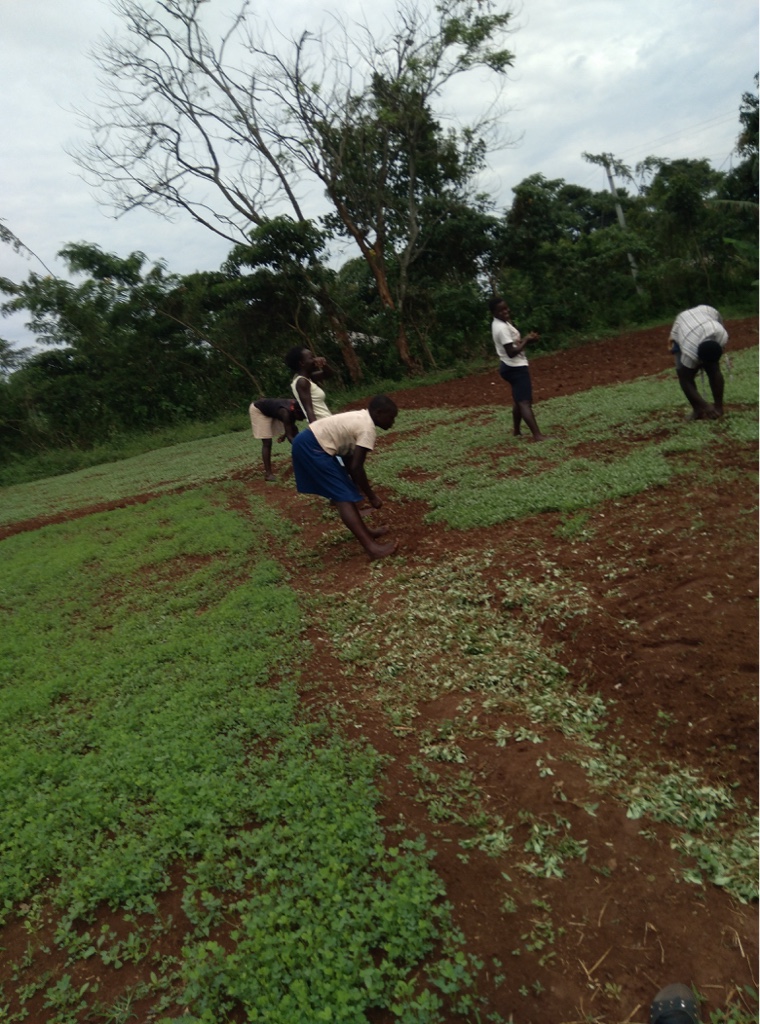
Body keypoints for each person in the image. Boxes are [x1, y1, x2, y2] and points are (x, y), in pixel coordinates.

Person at [291, 395, 399, 560]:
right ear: (379, 413)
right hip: (312, 447)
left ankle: (367, 532)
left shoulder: (361, 417)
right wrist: (371, 496)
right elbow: (356, 467)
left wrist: (354, 487)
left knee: (345, 491)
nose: (392, 422)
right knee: (343, 497)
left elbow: (350, 459)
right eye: (391, 417)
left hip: (312, 443)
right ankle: (372, 549)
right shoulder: (367, 428)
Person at [489, 296, 547, 441]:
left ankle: (516, 431)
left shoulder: (500, 323)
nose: (505, 311)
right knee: (525, 402)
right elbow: (512, 352)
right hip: (515, 367)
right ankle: (538, 436)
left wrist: (528, 341)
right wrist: (527, 340)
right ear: (494, 312)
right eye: (501, 310)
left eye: (506, 308)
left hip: (508, 366)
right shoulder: (501, 328)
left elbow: (513, 345)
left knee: (518, 400)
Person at [668, 305, 729, 420]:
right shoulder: (689, 349)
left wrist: (710, 364)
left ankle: (719, 408)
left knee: (713, 369)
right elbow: (685, 381)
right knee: (684, 375)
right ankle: (698, 409)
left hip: (707, 311)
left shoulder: (722, 335)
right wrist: (706, 406)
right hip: (683, 324)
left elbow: (713, 364)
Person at [248, 397, 303, 481]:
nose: (302, 420)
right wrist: (302, 447)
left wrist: (285, 435)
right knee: (267, 442)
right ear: (295, 412)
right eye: (300, 417)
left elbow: (291, 425)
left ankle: (303, 462)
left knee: (294, 429)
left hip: (271, 410)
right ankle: (268, 474)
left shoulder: (295, 406)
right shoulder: (285, 412)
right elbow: (290, 437)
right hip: (258, 410)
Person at [285, 346, 335, 424]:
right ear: (302, 363)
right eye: (311, 358)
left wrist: (323, 364)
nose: (314, 360)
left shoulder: (309, 378)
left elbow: (329, 374)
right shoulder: (302, 382)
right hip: (323, 424)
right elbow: (308, 409)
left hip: (327, 422)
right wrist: (316, 429)